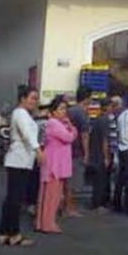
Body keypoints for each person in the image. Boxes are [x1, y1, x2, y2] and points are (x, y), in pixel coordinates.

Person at [0, 85, 44, 247]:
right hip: (19, 160)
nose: (34, 101)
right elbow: (28, 134)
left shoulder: (22, 114)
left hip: (19, 160)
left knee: (12, 198)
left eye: (36, 98)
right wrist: (38, 150)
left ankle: (5, 233)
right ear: (23, 99)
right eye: (32, 98)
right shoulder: (21, 113)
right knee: (15, 199)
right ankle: (14, 233)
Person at [36, 96, 77, 233]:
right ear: (53, 111)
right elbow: (69, 137)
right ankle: (48, 224)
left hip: (55, 163)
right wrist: (71, 126)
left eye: (65, 109)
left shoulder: (55, 123)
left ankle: (43, 223)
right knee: (51, 196)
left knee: (50, 195)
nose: (64, 112)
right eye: (61, 109)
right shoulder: (54, 124)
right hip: (54, 165)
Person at [64, 86, 91, 217]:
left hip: (66, 148)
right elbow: (84, 135)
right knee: (73, 182)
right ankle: (69, 209)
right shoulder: (82, 113)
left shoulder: (69, 110)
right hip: (77, 150)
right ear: (87, 98)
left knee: (66, 180)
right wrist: (86, 153)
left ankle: (66, 206)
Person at [87, 99, 112, 214]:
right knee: (101, 180)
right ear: (107, 107)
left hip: (94, 152)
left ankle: (95, 203)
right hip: (100, 154)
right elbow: (105, 140)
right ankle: (98, 205)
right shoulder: (105, 120)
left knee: (97, 180)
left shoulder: (96, 119)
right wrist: (107, 157)